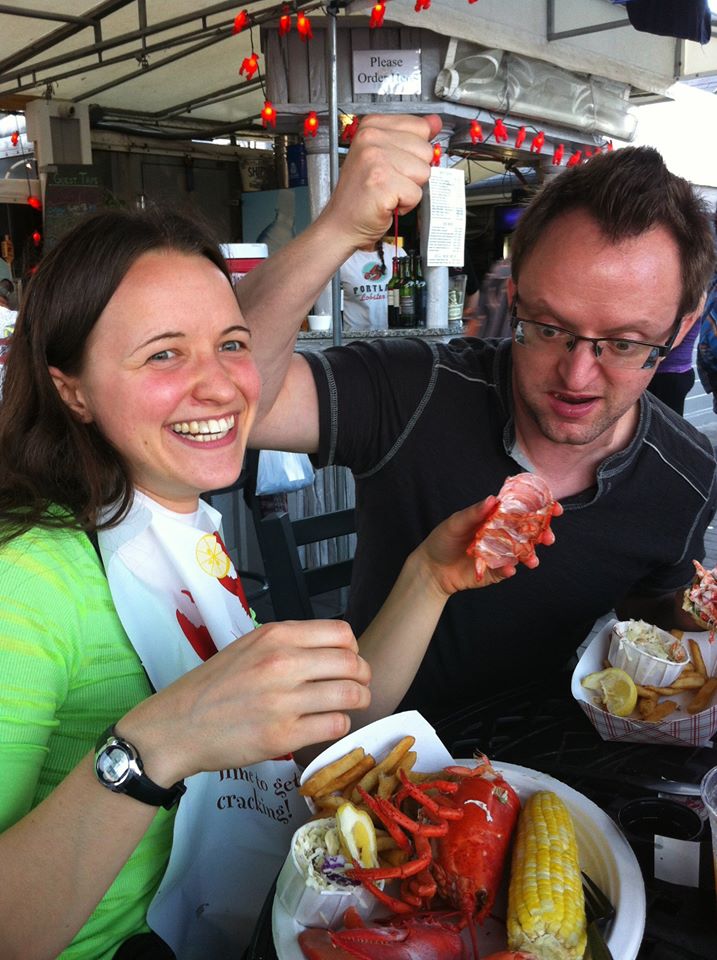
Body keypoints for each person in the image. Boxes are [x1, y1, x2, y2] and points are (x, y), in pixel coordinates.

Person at [0, 115, 546, 958]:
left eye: (230, 342)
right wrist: (155, 744)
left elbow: (323, 732)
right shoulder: (27, 579)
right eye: (161, 356)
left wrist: (428, 578)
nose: (218, 383)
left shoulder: (183, 533)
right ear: (71, 389)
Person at [244, 125, 717, 724]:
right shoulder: (418, 388)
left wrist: (696, 611)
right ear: (515, 295)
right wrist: (337, 229)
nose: (576, 375)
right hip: (368, 748)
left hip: (555, 763)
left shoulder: (687, 474)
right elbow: (239, 401)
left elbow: (653, 605)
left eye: (624, 344)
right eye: (547, 327)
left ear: (681, 327)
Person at [340, 238, 405, 330]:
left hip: (393, 336)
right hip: (355, 337)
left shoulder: (397, 253)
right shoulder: (342, 256)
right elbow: (328, 303)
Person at [647, 317, 699, 415]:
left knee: (665, 423)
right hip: (669, 373)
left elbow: (671, 342)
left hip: (670, 375)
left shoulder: (690, 311)